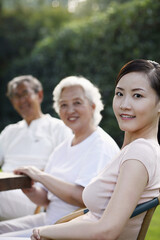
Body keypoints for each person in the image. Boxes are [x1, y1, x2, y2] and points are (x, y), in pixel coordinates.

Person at [27, 59, 160, 240]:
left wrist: (44, 231)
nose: (124, 105)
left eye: (137, 96)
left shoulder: (139, 153)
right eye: (119, 94)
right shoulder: (136, 149)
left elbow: (107, 231)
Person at [0, 76, 120, 236]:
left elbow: (83, 198)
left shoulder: (99, 145)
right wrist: (31, 190)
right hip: (51, 219)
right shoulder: (64, 147)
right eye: (64, 105)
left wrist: (40, 175)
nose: (70, 110)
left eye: (77, 102)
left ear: (92, 106)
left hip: (72, 229)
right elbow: (46, 200)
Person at [0, 75, 72, 220]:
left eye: (25, 94)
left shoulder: (58, 128)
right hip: (5, 190)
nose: (21, 100)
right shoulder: (9, 131)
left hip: (36, 196)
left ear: (39, 95)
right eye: (15, 96)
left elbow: (66, 169)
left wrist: (35, 175)